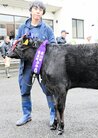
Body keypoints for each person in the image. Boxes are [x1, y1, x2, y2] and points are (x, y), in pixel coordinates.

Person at [15, 0, 57, 129]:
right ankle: (26, 115)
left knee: (49, 90)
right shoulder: (23, 27)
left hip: (42, 66)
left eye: (40, 9)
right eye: (35, 8)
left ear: (43, 12)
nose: (38, 11)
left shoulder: (47, 28)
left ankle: (53, 115)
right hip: (26, 65)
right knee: (24, 90)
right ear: (31, 10)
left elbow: (54, 46)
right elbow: (16, 43)